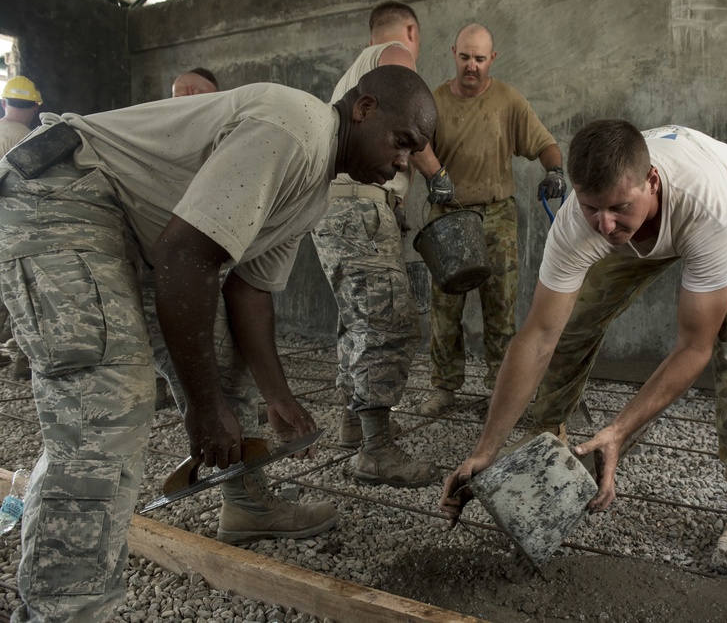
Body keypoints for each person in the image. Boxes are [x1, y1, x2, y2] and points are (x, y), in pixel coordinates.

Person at [0, 65, 436, 622]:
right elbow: (187, 258)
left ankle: (247, 502)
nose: (405, 163)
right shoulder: (295, 129)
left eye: (415, 152)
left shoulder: (312, 192)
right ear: (364, 108)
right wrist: (205, 411)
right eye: (402, 143)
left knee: (226, 362)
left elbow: (249, 292)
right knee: (106, 405)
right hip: (64, 192)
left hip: (136, 230)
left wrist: (279, 398)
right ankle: (63, 611)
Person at [440, 119, 727, 579]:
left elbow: (692, 347)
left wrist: (619, 430)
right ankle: (549, 433)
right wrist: (485, 449)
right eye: (591, 208)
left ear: (652, 182)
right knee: (569, 319)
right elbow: (539, 335)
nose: (604, 224)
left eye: (619, 207)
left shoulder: (708, 207)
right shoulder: (582, 222)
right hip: (654, 216)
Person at [313, 1, 453, 487]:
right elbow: (405, 116)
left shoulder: (356, 70)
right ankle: (376, 450)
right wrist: (437, 175)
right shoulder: (394, 53)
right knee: (389, 319)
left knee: (356, 315)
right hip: (362, 206)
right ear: (411, 29)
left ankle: (355, 422)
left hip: (336, 206)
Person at [415, 23, 565, 417]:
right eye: (464, 57)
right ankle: (444, 388)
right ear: (453, 53)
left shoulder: (507, 101)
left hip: (497, 216)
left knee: (501, 309)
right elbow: (415, 148)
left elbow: (545, 144)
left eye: (479, 59)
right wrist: (417, 189)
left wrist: (554, 172)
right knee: (445, 309)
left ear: (492, 59)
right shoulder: (433, 104)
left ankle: (501, 390)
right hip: (449, 217)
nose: (471, 66)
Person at [0, 76, 42, 377]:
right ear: (35, 107)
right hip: (12, 225)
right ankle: (21, 359)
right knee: (20, 290)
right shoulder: (28, 138)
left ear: (4, 102)